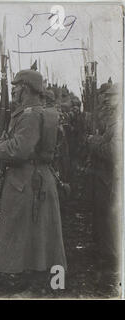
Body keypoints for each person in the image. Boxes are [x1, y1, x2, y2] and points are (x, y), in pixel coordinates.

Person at [0, 69, 67, 293]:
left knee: (20, 229)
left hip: (25, 180)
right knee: (39, 230)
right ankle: (40, 275)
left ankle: (20, 276)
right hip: (37, 178)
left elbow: (19, 150)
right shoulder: (39, 112)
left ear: (24, 89)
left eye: (16, 87)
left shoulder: (29, 115)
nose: (13, 90)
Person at [87, 83, 121, 279]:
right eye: (105, 96)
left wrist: (94, 142)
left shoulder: (119, 122)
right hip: (105, 175)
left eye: (111, 96)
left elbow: (112, 152)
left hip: (111, 175)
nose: (107, 99)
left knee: (109, 216)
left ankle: (111, 258)